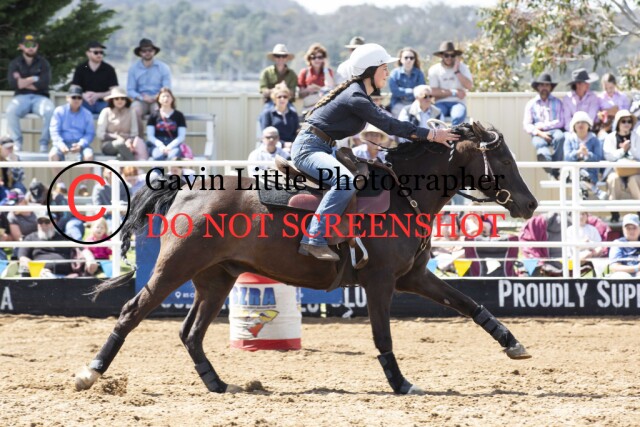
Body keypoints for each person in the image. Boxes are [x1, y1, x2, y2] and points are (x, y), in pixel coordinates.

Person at [292, 43, 457, 261]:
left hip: (322, 146)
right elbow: (390, 125)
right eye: (384, 68)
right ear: (370, 71)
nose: (388, 73)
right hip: (310, 148)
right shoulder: (356, 97)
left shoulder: (358, 95)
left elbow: (391, 123)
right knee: (345, 182)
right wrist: (432, 135)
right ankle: (314, 238)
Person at [5, 35, 55, 153]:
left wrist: (22, 82)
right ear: (21, 46)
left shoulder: (43, 63)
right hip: (21, 97)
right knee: (10, 111)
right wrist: (34, 78)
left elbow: (44, 83)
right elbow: (13, 83)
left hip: (41, 97)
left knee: (50, 110)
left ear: (37, 46)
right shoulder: (15, 63)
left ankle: (43, 143)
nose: (31, 48)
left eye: (33, 45)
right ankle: (17, 142)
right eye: (27, 45)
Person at [18, 211, 97, 277]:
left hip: (67, 277)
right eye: (40, 222)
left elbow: (83, 250)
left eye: (47, 222)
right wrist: (38, 269)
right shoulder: (30, 238)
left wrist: (90, 259)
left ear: (54, 222)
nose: (43, 225)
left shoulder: (65, 237)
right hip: (41, 275)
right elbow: (23, 258)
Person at [523, 73, 566, 179]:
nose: (544, 88)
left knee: (560, 138)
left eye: (547, 85)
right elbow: (527, 125)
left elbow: (561, 121)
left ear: (550, 87)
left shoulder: (558, 102)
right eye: (542, 85)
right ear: (538, 87)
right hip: (538, 133)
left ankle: (555, 168)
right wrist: (540, 133)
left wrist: (543, 126)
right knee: (540, 144)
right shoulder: (531, 104)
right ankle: (548, 164)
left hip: (555, 130)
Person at [127, 39, 172, 135]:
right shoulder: (133, 69)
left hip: (158, 99)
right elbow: (130, 90)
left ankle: (158, 139)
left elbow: (167, 87)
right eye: (144, 51)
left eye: (150, 50)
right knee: (134, 111)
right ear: (140, 53)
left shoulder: (163, 68)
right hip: (140, 100)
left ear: (154, 51)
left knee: (160, 111)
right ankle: (138, 139)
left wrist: (157, 96)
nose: (147, 53)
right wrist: (142, 97)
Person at [428, 41, 473, 126]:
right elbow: (433, 92)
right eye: (446, 55)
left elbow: (469, 86)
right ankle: (438, 134)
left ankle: (453, 134)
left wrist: (457, 72)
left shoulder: (463, 67)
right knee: (436, 116)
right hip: (440, 103)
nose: (449, 58)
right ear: (441, 56)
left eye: (452, 55)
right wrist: (454, 92)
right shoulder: (434, 70)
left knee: (458, 117)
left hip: (458, 103)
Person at [563, 111, 605, 199]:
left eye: (583, 122)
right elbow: (567, 157)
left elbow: (598, 157)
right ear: (574, 126)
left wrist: (587, 154)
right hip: (573, 172)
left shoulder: (595, 140)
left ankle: (583, 203)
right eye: (577, 122)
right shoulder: (569, 139)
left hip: (590, 173)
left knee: (580, 177)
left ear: (588, 125)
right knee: (577, 174)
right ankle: (595, 190)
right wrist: (578, 153)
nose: (580, 124)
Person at [97, 87, 147, 160]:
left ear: (126, 100)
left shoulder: (131, 112)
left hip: (128, 145)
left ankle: (126, 167)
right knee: (120, 144)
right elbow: (100, 134)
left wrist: (129, 141)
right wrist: (117, 137)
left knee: (120, 156)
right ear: (112, 100)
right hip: (108, 145)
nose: (119, 101)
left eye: (122, 98)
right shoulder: (106, 112)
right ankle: (134, 165)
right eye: (116, 98)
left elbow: (134, 133)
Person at [49, 85, 95, 163]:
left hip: (81, 145)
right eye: (74, 97)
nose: (76, 100)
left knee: (89, 156)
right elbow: (54, 131)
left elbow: (90, 133)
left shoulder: (87, 114)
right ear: (67, 98)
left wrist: (80, 145)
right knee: (53, 155)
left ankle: (86, 173)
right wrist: (61, 145)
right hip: (62, 144)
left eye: (79, 98)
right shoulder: (59, 111)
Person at [71, 41, 119, 114]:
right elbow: (74, 87)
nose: (99, 55)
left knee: (111, 109)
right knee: (75, 106)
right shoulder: (81, 68)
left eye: (101, 52)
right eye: (96, 52)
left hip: (103, 103)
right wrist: (84, 95)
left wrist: (98, 95)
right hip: (85, 102)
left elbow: (114, 90)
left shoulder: (109, 69)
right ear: (88, 53)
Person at [603, 110, 640, 202]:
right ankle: (614, 210)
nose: (626, 124)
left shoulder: (636, 137)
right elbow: (609, 156)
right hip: (615, 170)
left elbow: (639, 155)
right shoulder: (610, 137)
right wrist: (623, 150)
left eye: (629, 121)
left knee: (635, 180)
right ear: (618, 123)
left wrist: (630, 148)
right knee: (613, 179)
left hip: (634, 171)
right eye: (623, 121)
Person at [146, 87, 187, 161]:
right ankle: (157, 169)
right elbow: (150, 136)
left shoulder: (179, 115)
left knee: (172, 157)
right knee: (157, 157)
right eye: (163, 96)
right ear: (158, 99)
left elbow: (181, 136)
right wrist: (160, 146)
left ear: (172, 99)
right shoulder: (153, 115)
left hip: (174, 144)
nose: (166, 98)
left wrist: (170, 147)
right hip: (157, 144)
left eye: (168, 96)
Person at [388, 47, 425, 117]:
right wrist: (412, 91)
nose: (409, 60)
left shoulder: (419, 73)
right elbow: (395, 91)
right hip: (398, 103)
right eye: (406, 57)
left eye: (411, 58)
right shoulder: (394, 73)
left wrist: (403, 93)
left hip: (415, 103)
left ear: (414, 60)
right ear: (401, 59)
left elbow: (421, 91)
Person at [298, 43, 335, 110]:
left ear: (324, 59)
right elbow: (300, 94)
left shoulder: (328, 71)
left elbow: (331, 87)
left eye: (320, 57)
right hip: (309, 107)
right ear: (309, 59)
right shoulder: (304, 72)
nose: (317, 60)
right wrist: (308, 90)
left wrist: (325, 68)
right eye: (313, 57)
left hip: (325, 106)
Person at [608, 213, 640, 278]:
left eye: (634, 228)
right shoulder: (618, 243)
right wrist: (636, 268)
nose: (631, 231)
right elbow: (614, 267)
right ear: (623, 229)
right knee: (621, 276)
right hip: (624, 276)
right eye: (628, 228)